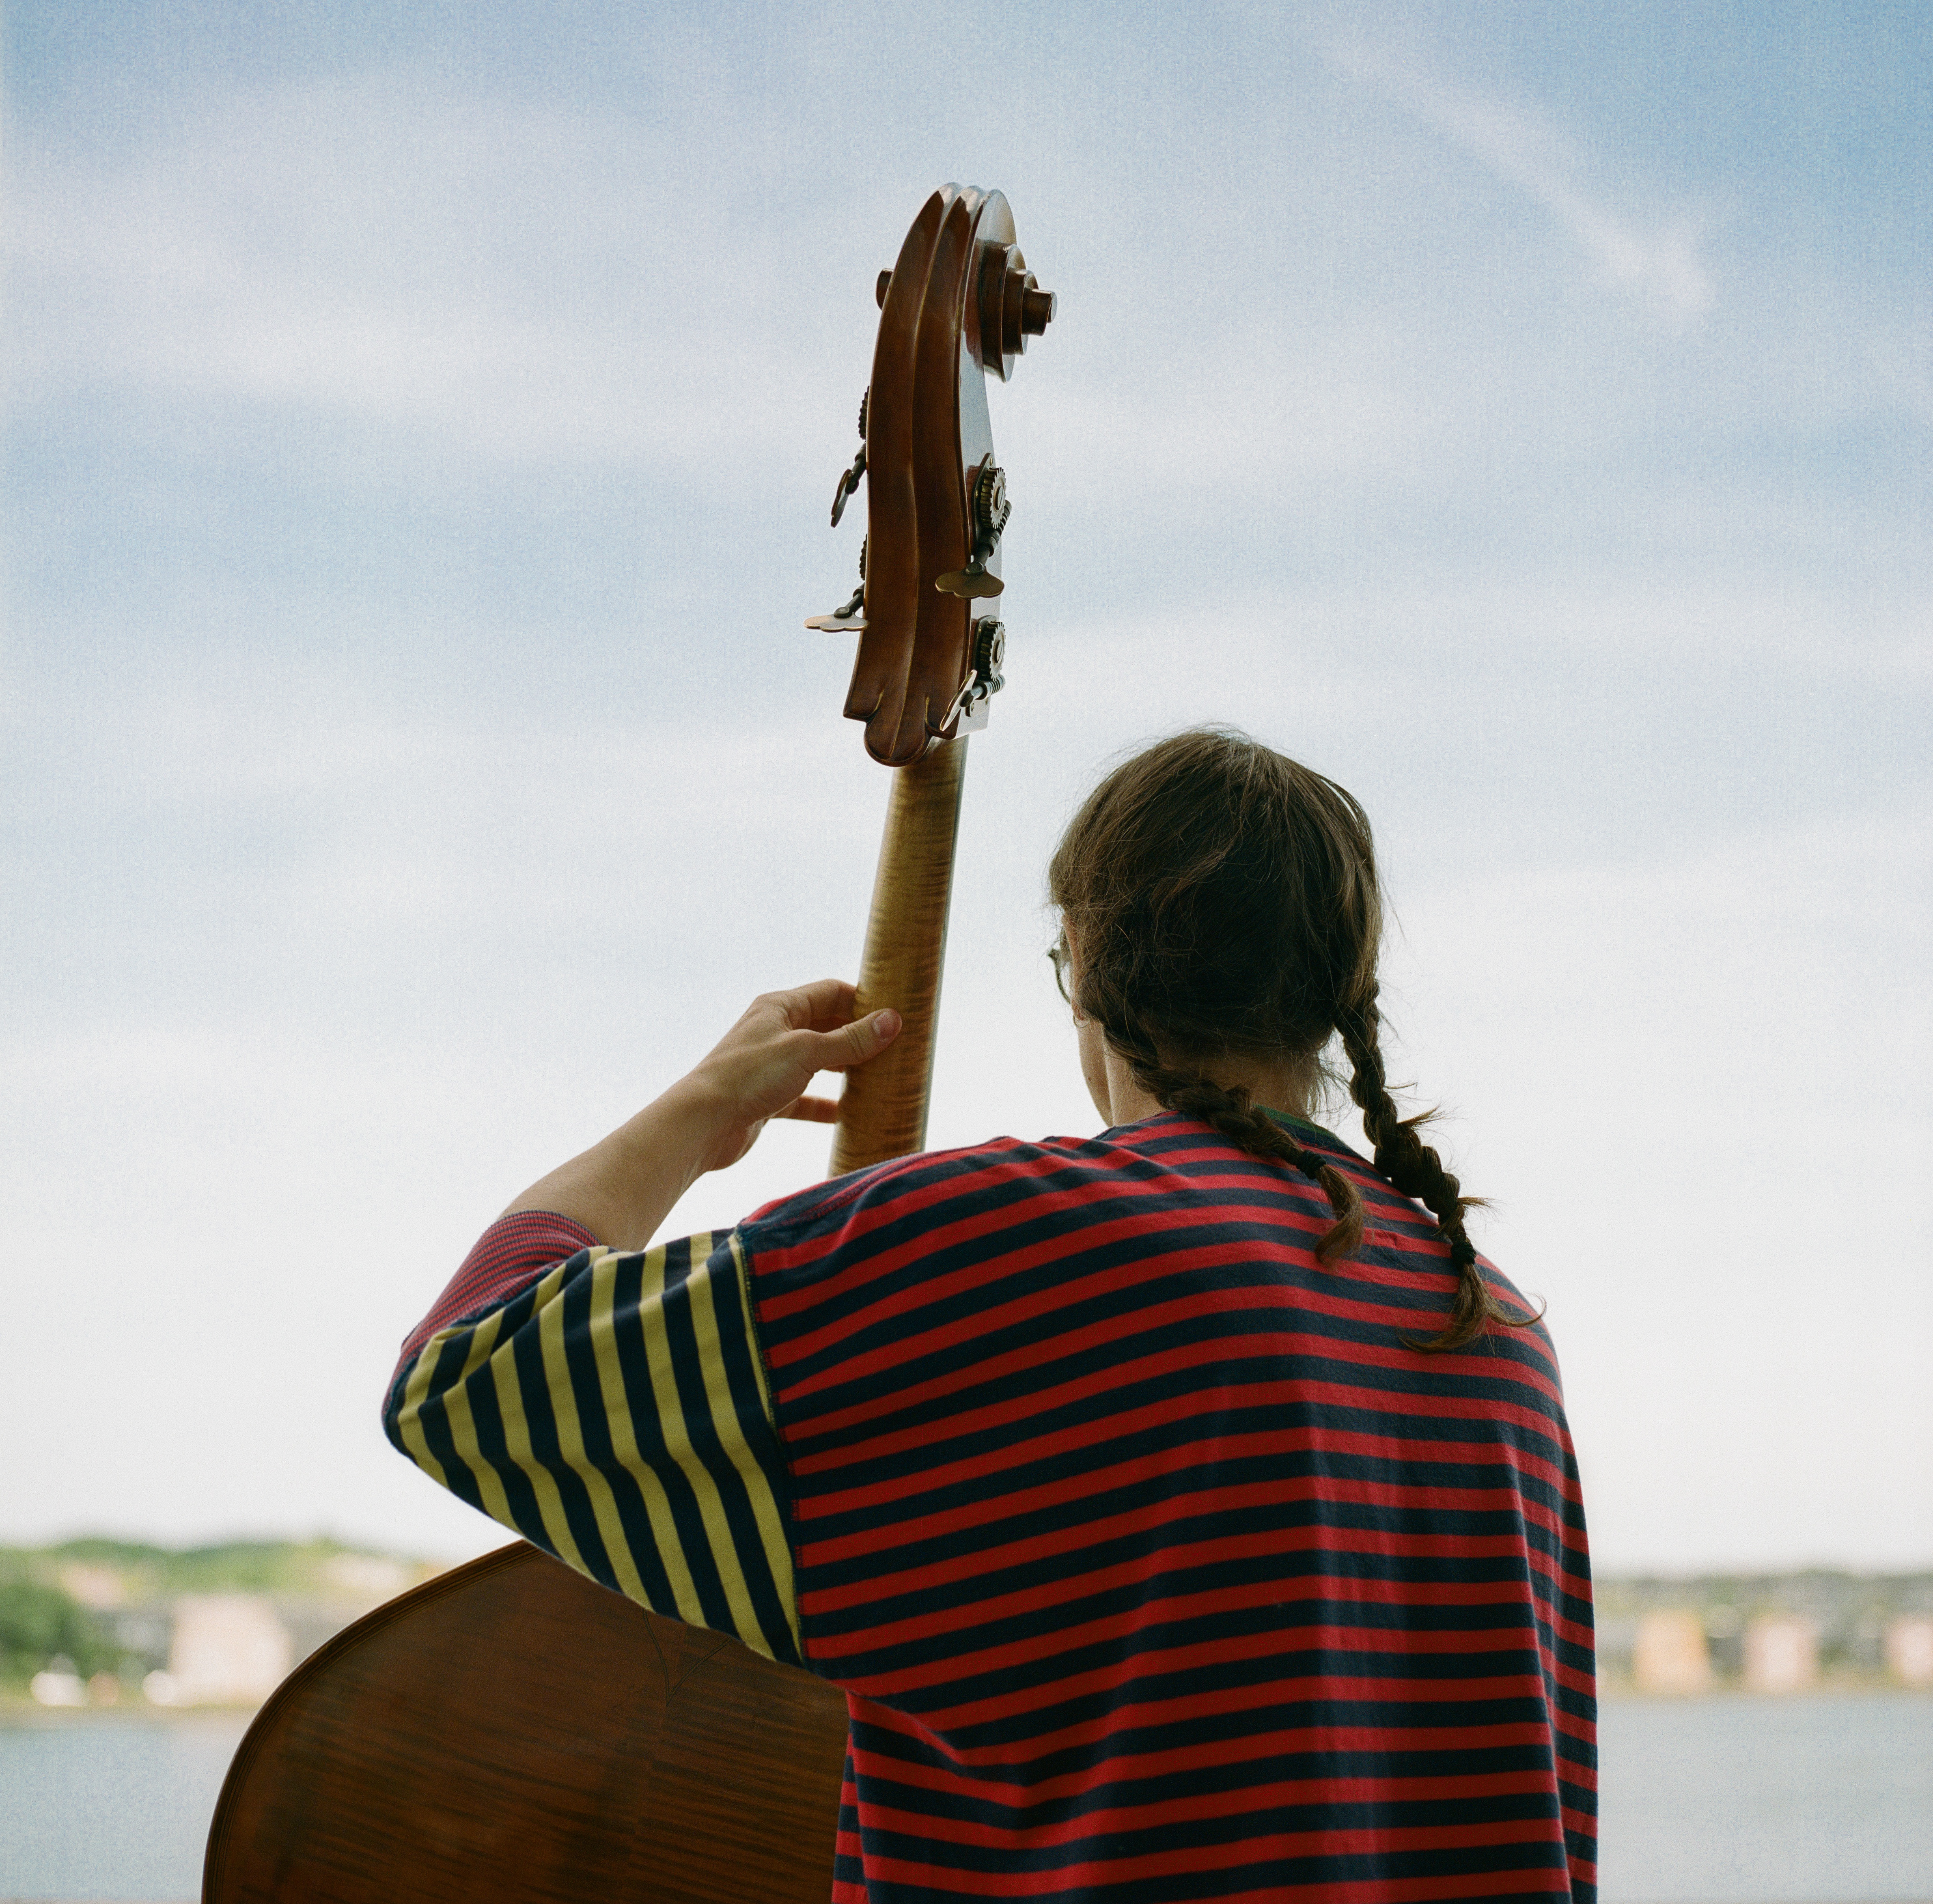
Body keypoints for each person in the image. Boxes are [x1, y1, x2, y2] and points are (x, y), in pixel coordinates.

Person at [386, 727, 1597, 1902]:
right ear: (1341, 988)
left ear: (1084, 955)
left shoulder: (1033, 1243)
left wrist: (700, 1112)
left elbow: (461, 1372)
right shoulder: (1493, 1331)